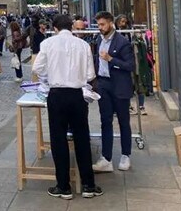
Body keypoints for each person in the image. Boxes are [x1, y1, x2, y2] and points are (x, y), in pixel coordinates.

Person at [32, 14, 103, 200]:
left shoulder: (47, 44)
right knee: (82, 138)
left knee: (58, 139)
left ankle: (63, 186)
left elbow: (37, 68)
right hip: (77, 95)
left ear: (55, 28)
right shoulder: (83, 45)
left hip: (56, 95)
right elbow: (90, 75)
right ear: (71, 27)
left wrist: (51, 73)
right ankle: (88, 185)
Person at [92, 11, 135, 173]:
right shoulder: (98, 40)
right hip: (103, 84)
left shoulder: (122, 42)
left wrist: (111, 59)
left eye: (103, 24)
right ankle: (106, 158)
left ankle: (125, 155)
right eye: (98, 25)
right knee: (105, 121)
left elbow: (130, 66)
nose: (100, 27)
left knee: (123, 121)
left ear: (111, 23)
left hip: (119, 85)